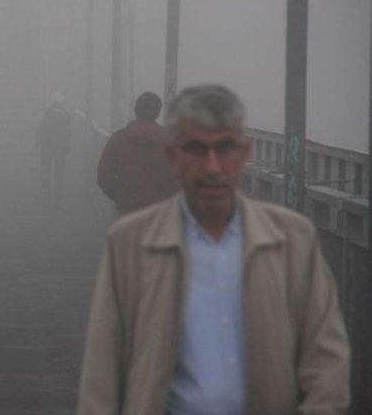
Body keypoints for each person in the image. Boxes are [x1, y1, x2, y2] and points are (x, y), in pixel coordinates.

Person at [77, 84, 350, 414]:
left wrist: (123, 197)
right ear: (173, 158)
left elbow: (325, 362)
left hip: (131, 208)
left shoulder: (293, 240)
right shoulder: (126, 244)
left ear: (244, 154)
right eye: (196, 150)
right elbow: (102, 372)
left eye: (224, 149)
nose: (212, 166)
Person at [96, 91, 178, 215]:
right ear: (158, 112)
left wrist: (120, 195)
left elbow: (103, 175)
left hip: (129, 210)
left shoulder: (119, 139)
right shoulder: (172, 142)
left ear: (135, 110)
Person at [36, 92, 71, 206]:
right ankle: (58, 198)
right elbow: (68, 133)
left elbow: (39, 128)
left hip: (46, 147)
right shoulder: (65, 115)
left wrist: (38, 142)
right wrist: (67, 146)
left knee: (46, 172)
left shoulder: (45, 113)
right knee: (59, 173)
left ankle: (47, 197)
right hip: (60, 147)